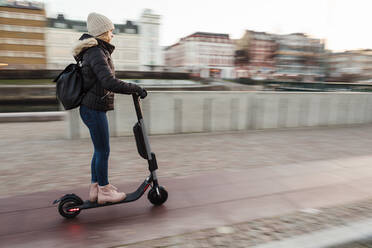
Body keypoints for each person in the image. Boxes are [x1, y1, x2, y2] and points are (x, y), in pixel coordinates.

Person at [72, 12, 147, 204]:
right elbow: (108, 81)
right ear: (102, 32)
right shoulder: (96, 52)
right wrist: (135, 88)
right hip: (93, 108)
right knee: (103, 151)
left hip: (91, 108)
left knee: (99, 150)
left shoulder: (96, 51)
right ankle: (104, 191)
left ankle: (96, 189)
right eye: (110, 31)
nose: (112, 34)